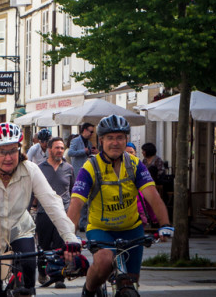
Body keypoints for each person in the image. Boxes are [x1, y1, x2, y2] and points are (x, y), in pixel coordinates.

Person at [0, 123, 81, 297]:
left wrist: (70, 237)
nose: (8, 157)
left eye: (13, 150)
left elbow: (52, 203)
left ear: (19, 149)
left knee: (29, 268)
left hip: (19, 229)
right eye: (2, 151)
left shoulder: (30, 170)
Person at [68, 115, 173, 297]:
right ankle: (89, 289)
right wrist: (69, 237)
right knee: (104, 261)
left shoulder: (135, 164)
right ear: (101, 140)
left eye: (120, 137)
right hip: (101, 229)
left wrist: (164, 225)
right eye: (110, 138)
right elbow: (76, 204)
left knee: (130, 283)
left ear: (126, 140)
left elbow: (153, 196)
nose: (115, 142)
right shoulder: (91, 167)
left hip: (131, 229)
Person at [35, 137, 75, 289]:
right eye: (57, 147)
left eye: (62, 148)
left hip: (63, 213)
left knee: (60, 246)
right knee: (43, 246)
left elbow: (72, 190)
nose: (60, 150)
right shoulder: (39, 168)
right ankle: (42, 273)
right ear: (49, 149)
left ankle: (59, 277)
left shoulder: (68, 168)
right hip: (43, 213)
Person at [67, 122, 96, 231]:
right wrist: (83, 151)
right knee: (78, 199)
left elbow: (88, 155)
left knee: (86, 200)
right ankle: (75, 223)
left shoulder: (88, 143)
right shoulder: (75, 141)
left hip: (87, 172)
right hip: (77, 172)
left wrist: (92, 152)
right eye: (91, 131)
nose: (92, 134)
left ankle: (83, 224)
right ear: (84, 130)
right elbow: (70, 153)